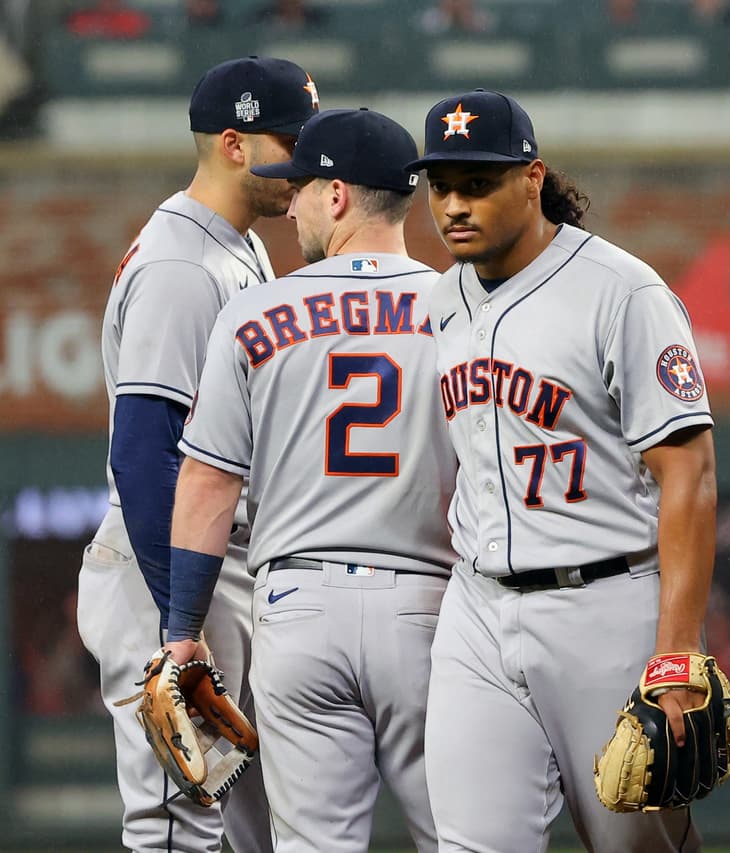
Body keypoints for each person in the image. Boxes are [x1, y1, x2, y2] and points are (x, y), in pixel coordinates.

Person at [406, 88, 718, 852]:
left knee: (636, 846)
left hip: (604, 603)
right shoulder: (442, 299)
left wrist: (676, 651)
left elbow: (690, 476)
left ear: (532, 177)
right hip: (477, 610)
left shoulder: (623, 291)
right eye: (440, 185)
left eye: (476, 183)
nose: (453, 204)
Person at [156, 107, 452, 852]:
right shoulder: (464, 311)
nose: (289, 203)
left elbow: (207, 482)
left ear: (339, 195)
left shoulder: (254, 312)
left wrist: (184, 631)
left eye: (301, 188)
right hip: (435, 609)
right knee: (465, 838)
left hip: (297, 608)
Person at [78, 55, 316, 852]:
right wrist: (184, 622)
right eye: (291, 139)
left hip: (205, 565)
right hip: (172, 570)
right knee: (179, 824)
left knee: (252, 825)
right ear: (234, 142)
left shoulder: (231, 244)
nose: (307, 160)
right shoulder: (184, 265)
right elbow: (145, 456)